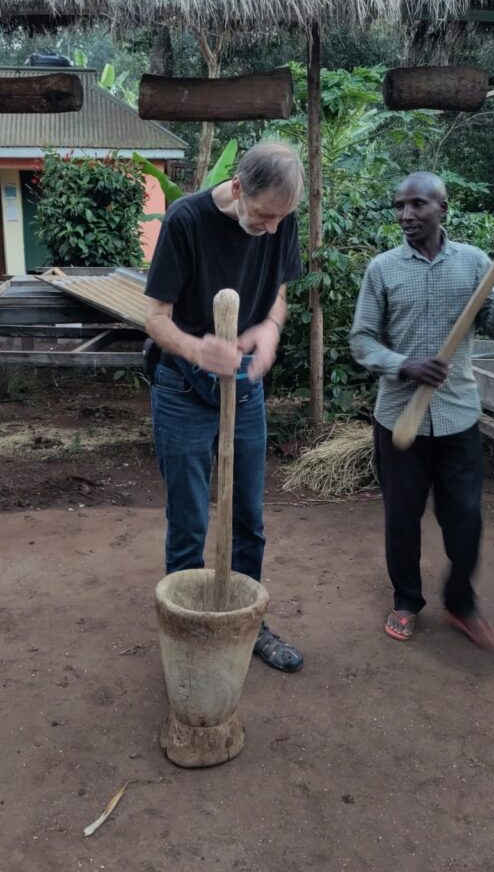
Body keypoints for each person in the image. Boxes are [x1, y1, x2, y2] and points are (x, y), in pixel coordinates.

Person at [350, 171, 494, 649]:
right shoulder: (383, 269)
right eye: (399, 206)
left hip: (458, 417)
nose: (406, 215)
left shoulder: (476, 263)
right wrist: (404, 365)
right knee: (402, 518)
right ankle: (407, 600)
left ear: (442, 207)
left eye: (417, 205)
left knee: (465, 518)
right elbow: (362, 341)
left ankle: (461, 603)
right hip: (399, 420)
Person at [144, 141, 305, 673]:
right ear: (238, 188)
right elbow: (156, 318)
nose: (274, 229)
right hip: (183, 387)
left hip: (245, 384)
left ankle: (247, 623)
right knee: (189, 518)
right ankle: (187, 631)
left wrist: (270, 329)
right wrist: (197, 349)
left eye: (283, 218)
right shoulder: (185, 221)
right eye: (263, 216)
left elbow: (279, 290)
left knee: (248, 518)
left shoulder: (280, 220)